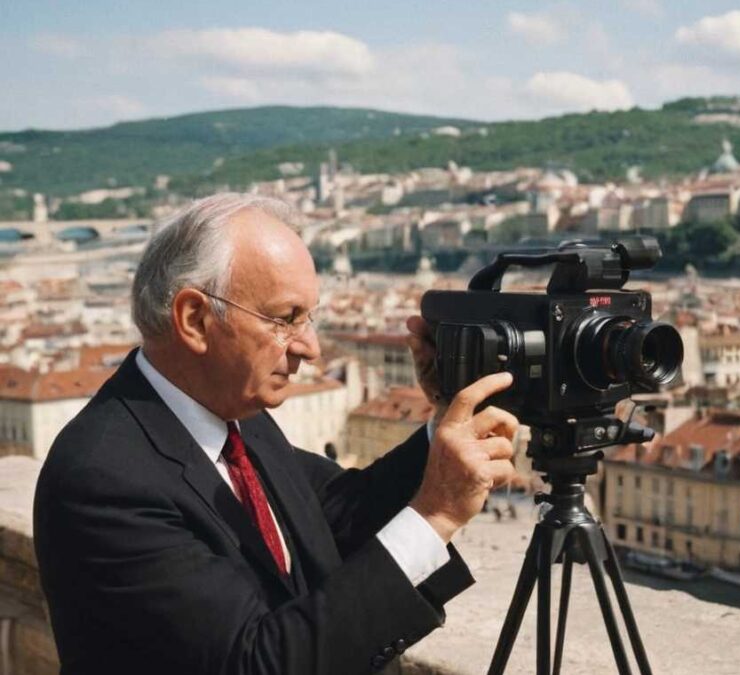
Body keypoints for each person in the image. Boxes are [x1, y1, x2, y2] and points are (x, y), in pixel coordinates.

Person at [33, 193, 520, 674]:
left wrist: (445, 418)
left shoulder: (234, 414)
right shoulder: (103, 478)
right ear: (195, 320)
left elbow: (335, 511)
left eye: (309, 317)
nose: (310, 347)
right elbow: (255, 663)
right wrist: (436, 513)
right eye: (285, 319)